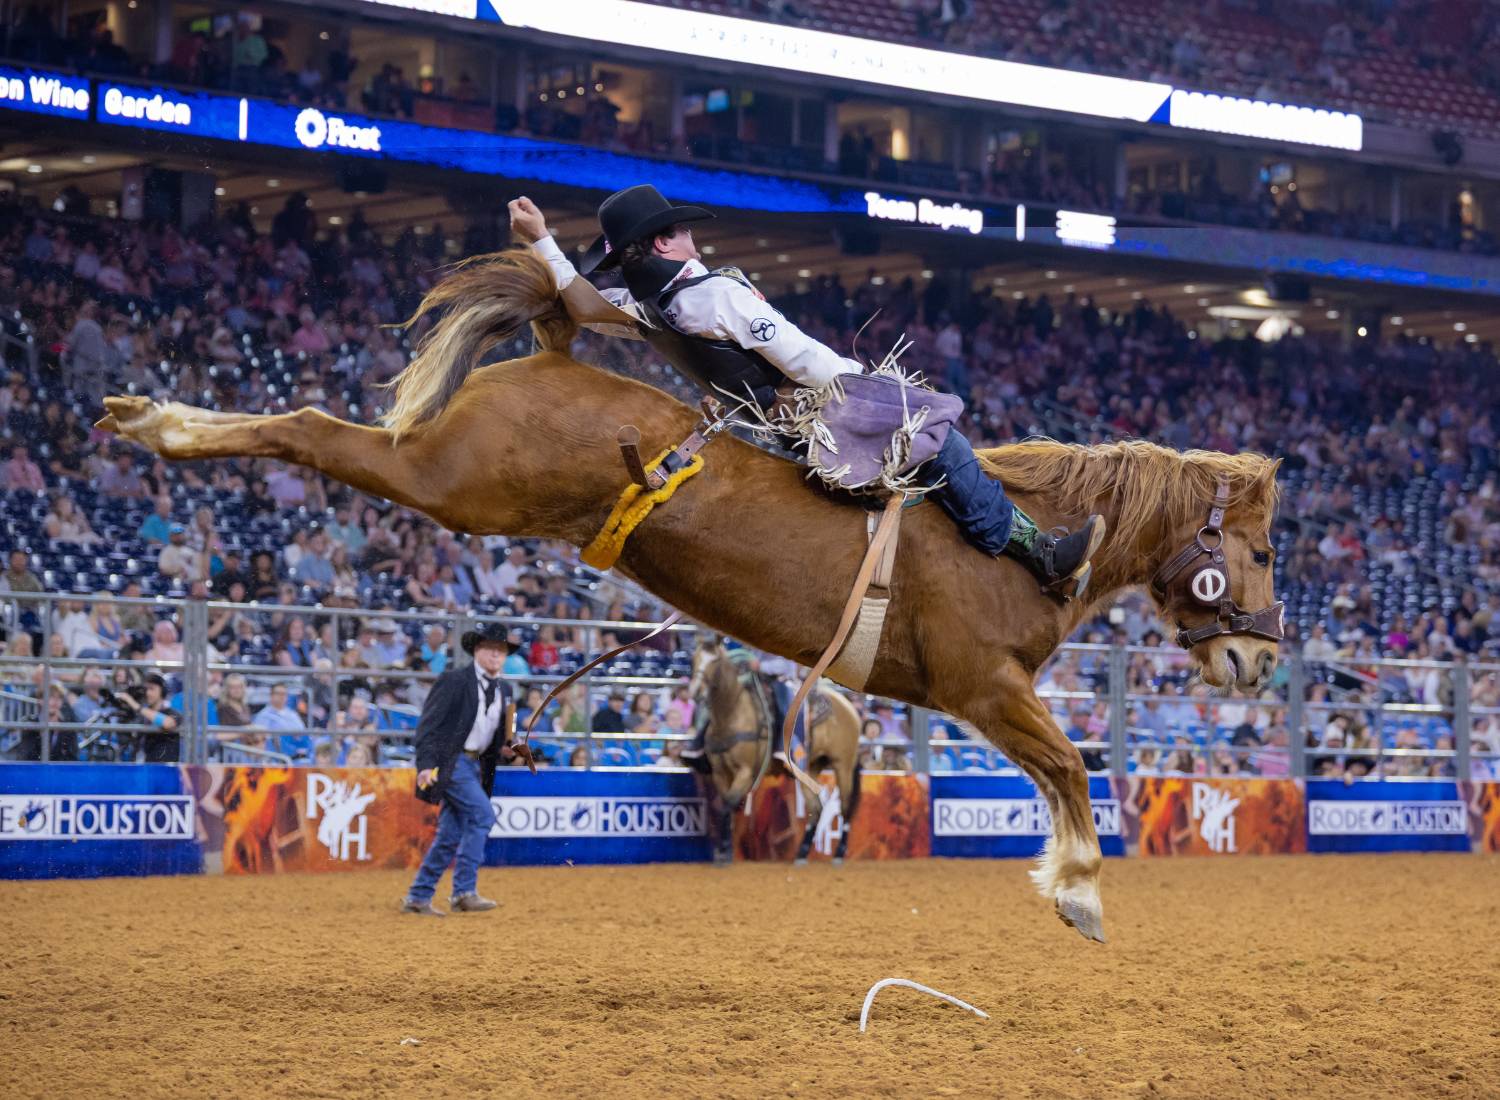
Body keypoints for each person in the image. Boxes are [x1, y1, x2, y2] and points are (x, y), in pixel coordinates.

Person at [510, 187, 1103, 598]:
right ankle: (1038, 555)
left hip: (769, 424)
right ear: (664, 244)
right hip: (819, 408)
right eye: (682, 230)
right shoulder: (715, 296)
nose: (692, 237)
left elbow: (581, 302)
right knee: (942, 438)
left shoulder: (649, 308)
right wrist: (873, 388)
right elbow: (801, 359)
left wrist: (543, 241)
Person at [403, 621, 516, 916]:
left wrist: (511, 749)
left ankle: (418, 896)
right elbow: (429, 725)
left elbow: (501, 739)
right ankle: (464, 891)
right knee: (482, 816)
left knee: (450, 834)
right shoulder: (454, 680)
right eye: (490, 649)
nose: (495, 655)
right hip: (450, 762)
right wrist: (426, 764)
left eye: (501, 651)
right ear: (477, 651)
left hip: (474, 765)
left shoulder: (506, 689)